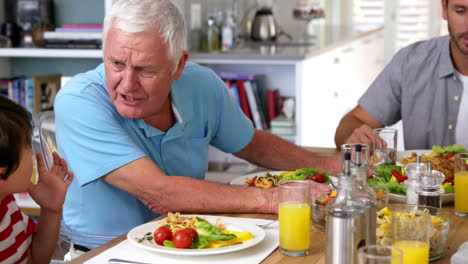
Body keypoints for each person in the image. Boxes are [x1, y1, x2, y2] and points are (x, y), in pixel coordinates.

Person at [54, 0, 341, 250]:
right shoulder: (78, 102)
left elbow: (252, 143)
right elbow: (159, 192)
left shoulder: (201, 83)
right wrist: (273, 199)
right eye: (116, 63)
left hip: (190, 243)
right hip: (102, 251)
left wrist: (327, 166)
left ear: (178, 65)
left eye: (144, 69)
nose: (127, 84)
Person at [335, 0, 468, 150]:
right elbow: (351, 123)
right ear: (445, 8)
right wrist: (356, 137)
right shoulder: (411, 62)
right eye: (460, 11)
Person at [0, 96, 73, 264]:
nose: (33, 154)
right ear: (2, 173)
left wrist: (51, 210)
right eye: (27, 147)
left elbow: (34, 259)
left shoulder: (6, 203)